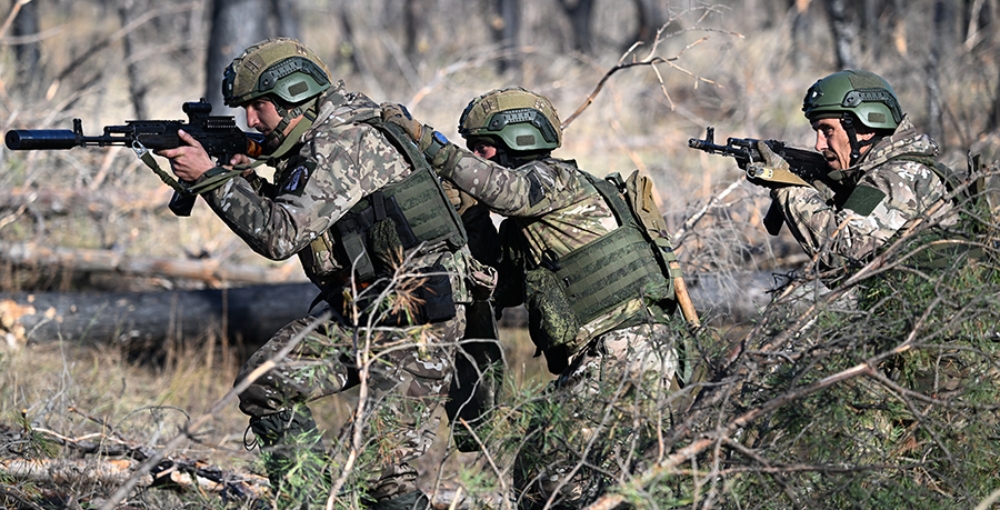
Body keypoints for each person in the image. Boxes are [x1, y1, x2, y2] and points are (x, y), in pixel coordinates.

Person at [157, 38, 483, 510]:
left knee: (383, 478)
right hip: (366, 304)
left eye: (257, 107)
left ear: (293, 96)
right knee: (267, 384)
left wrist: (212, 179)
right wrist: (240, 180)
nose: (250, 121)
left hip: (419, 315)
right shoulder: (315, 137)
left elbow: (281, 236)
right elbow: (302, 211)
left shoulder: (342, 140)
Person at [381, 87, 692, 509]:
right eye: (471, 150)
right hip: (613, 358)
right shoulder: (526, 224)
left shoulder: (553, 179)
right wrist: (469, 223)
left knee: (549, 475)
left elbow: (503, 190)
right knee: (559, 474)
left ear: (519, 141)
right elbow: (498, 289)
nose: (477, 159)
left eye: (483, 149)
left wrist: (427, 143)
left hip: (627, 354)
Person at [754, 69, 958, 281]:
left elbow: (842, 254)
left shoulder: (894, 177)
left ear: (865, 127)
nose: (819, 144)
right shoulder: (888, 172)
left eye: (827, 130)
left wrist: (788, 186)